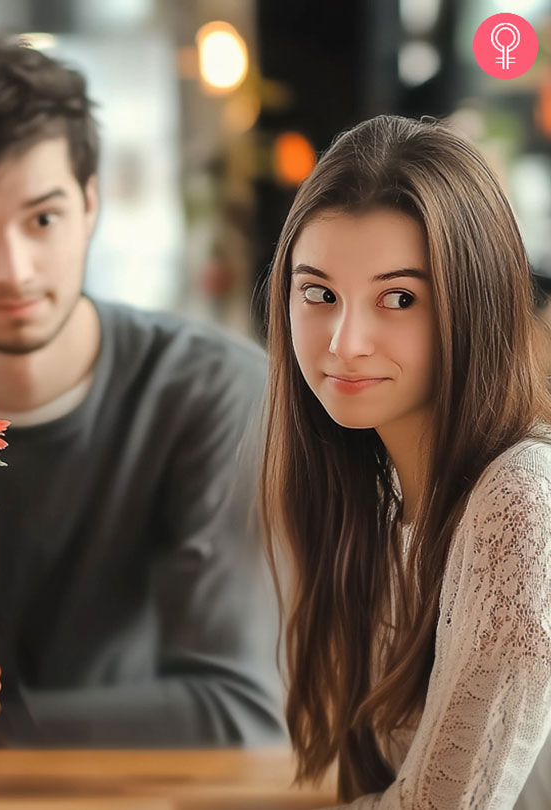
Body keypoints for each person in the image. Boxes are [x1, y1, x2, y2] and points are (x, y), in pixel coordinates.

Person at [0, 31, 285, 748]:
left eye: (42, 219)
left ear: (90, 204)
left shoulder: (212, 393)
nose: (12, 268)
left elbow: (241, 713)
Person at [259, 114, 551, 807]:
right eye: (320, 293)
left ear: (471, 305)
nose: (346, 341)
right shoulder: (385, 501)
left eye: (399, 298)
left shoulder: (521, 503)